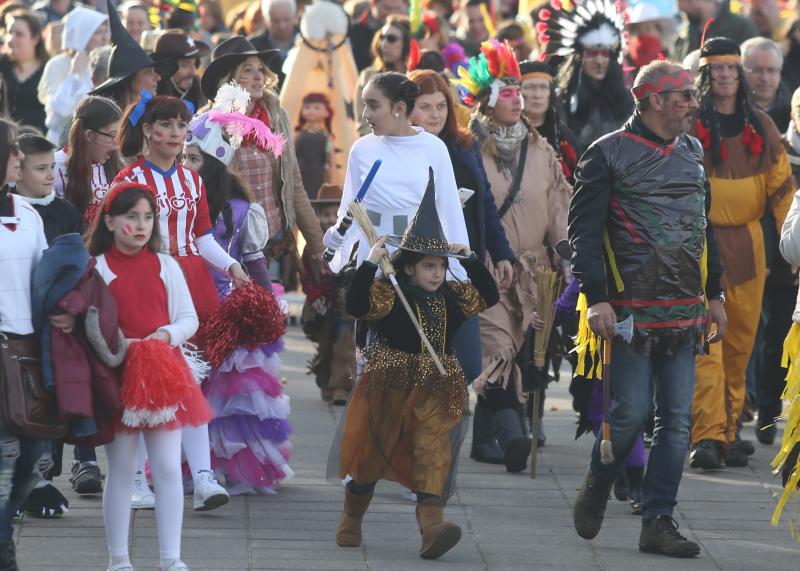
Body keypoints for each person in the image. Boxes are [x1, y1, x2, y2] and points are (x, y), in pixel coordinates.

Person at [568, 59, 726, 557]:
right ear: (654, 99)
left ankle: (658, 518)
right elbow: (584, 236)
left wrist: (716, 294)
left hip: (684, 312)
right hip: (629, 311)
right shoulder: (606, 154)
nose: (692, 103)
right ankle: (599, 480)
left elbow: (705, 226)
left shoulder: (694, 150)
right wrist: (596, 298)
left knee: (677, 421)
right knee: (631, 414)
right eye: (683, 95)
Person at [335, 172, 499, 560]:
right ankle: (351, 518)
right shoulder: (390, 294)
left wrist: (470, 259)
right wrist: (369, 265)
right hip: (389, 383)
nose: (437, 273)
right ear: (408, 267)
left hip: (436, 384)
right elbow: (356, 306)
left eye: (441, 267)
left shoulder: (453, 297)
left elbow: (489, 296)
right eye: (428, 267)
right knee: (371, 458)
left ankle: (432, 529)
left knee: (433, 452)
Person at [115, 95, 245, 511]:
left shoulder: (193, 180)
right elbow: (114, 235)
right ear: (148, 130)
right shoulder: (130, 178)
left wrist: (232, 267)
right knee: (140, 382)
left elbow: (204, 237)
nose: (174, 133)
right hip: (145, 283)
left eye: (180, 126)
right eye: (165, 125)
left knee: (189, 381)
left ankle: (203, 477)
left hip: (191, 284)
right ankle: (136, 480)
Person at [86, 181, 213, 571]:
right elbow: (88, 324)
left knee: (168, 468)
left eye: (147, 217)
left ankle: (171, 559)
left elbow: (188, 319)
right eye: (130, 217)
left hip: (162, 374)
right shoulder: (98, 269)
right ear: (109, 221)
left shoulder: (166, 265)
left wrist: (167, 335)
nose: (140, 225)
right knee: (122, 470)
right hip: (117, 375)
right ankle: (118, 559)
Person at [459, 40, 571, 472]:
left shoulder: (542, 150)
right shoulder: (468, 149)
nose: (516, 99)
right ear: (486, 99)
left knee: (520, 349)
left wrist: (565, 256)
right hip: (485, 268)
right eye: (506, 92)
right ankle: (514, 436)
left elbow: (559, 207)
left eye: (518, 91)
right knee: (497, 349)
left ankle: (487, 440)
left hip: (532, 273)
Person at [689, 37, 795, 470]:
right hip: (698, 247)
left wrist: (794, 248)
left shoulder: (762, 126)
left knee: (739, 345)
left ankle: (729, 430)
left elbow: (783, 191)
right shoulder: (688, 122)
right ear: (706, 74)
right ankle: (708, 434)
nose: (726, 77)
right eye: (719, 69)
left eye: (733, 69)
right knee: (705, 345)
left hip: (750, 248)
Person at [184, 87, 294, 494]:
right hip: (188, 308)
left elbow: (254, 261)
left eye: (194, 159)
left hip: (228, 310)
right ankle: (194, 467)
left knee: (232, 396)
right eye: (184, 158)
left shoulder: (238, 210)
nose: (186, 166)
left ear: (213, 165)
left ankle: (231, 465)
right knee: (194, 389)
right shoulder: (178, 203)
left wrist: (268, 304)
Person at [408, 68, 515, 463]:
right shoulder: (401, 149)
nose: (434, 115)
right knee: (421, 361)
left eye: (441, 106)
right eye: (425, 107)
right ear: (408, 110)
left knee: (469, 363)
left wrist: (501, 254)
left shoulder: (465, 146)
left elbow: (486, 205)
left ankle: (439, 435)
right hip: (416, 274)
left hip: (462, 271)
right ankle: (424, 447)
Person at [200, 36, 325, 286]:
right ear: (229, 79)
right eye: (248, 70)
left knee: (273, 315)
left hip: (273, 242)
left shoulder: (276, 116)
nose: (258, 77)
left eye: (260, 69)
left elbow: (294, 183)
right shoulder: (208, 124)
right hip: (230, 244)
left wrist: (318, 246)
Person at [323, 71, 469, 279]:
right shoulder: (361, 149)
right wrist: (339, 239)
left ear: (399, 109)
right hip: (373, 255)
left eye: (373, 105)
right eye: (365, 105)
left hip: (418, 260)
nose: (365, 114)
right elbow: (351, 208)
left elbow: (450, 213)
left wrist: (457, 272)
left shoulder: (434, 148)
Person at [0, 118, 56, 570]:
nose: (19, 157)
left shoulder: (29, 214)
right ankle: (5, 547)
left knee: (36, 453)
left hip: (27, 351)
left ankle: (4, 526)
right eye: (12, 150)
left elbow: (44, 281)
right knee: (2, 461)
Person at [538, 0, 633, 152]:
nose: (599, 61)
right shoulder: (561, 100)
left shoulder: (626, 99)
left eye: (605, 54)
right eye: (592, 53)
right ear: (579, 58)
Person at [300, 183, 355, 405]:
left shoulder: (350, 243)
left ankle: (341, 386)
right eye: (325, 214)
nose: (330, 219)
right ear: (317, 216)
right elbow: (305, 276)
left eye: (335, 214)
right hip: (322, 306)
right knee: (326, 348)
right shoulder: (312, 247)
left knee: (345, 345)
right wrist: (314, 296)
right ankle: (326, 380)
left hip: (344, 307)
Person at [38, 6, 109, 146]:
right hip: (62, 144)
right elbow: (59, 111)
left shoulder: (103, 64)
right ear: (83, 34)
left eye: (106, 31)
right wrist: (74, 73)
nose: (104, 38)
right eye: (98, 32)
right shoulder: (58, 64)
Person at [90, 0, 177, 112]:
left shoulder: (149, 114)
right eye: (130, 23)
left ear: (149, 24)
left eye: (140, 23)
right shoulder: (108, 121)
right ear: (129, 79)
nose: (158, 77)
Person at [54, 95, 124, 224]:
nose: (117, 144)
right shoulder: (55, 166)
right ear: (89, 135)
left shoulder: (119, 166)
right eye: (112, 136)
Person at [518, 60, 580, 183]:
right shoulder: (506, 134)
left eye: (543, 87)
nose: (537, 95)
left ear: (550, 93)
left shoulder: (563, 135)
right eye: (529, 87)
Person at [355, 15, 411, 136]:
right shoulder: (368, 76)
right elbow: (362, 123)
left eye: (391, 38)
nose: (383, 43)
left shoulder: (417, 77)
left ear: (408, 43)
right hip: (377, 146)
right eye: (382, 37)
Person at [0, 10, 49, 133]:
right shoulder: (2, 65)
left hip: (39, 141)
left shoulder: (48, 69)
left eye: (19, 34)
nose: (11, 39)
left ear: (35, 39)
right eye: (9, 32)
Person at [671, 0, 757, 62]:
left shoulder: (741, 26)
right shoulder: (681, 34)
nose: (679, 7)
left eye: (684, 1)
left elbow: (752, 64)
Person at [742, 36, 792, 133]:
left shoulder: (795, 111)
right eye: (757, 70)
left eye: (771, 70)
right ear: (741, 71)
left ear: (780, 71)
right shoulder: (727, 109)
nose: (765, 78)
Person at [153, 29, 211, 112]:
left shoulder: (199, 95)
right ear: (164, 69)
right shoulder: (148, 102)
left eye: (195, 64)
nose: (193, 72)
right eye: (184, 65)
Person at [249, 0, 299, 90]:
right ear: (265, 19)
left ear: (295, 16)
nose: (282, 26)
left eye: (286, 19)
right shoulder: (252, 47)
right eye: (276, 21)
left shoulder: (310, 43)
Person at [294, 92, 334, 199]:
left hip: (318, 176)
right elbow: (293, 156)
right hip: (300, 175)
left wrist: (331, 180)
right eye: (307, 107)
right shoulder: (298, 135)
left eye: (316, 108)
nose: (311, 111)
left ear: (326, 113)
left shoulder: (327, 137)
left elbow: (330, 160)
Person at [349, 0, 408, 71]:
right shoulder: (354, 31)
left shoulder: (416, 32)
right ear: (373, 4)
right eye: (387, 8)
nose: (393, 13)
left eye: (398, 8)